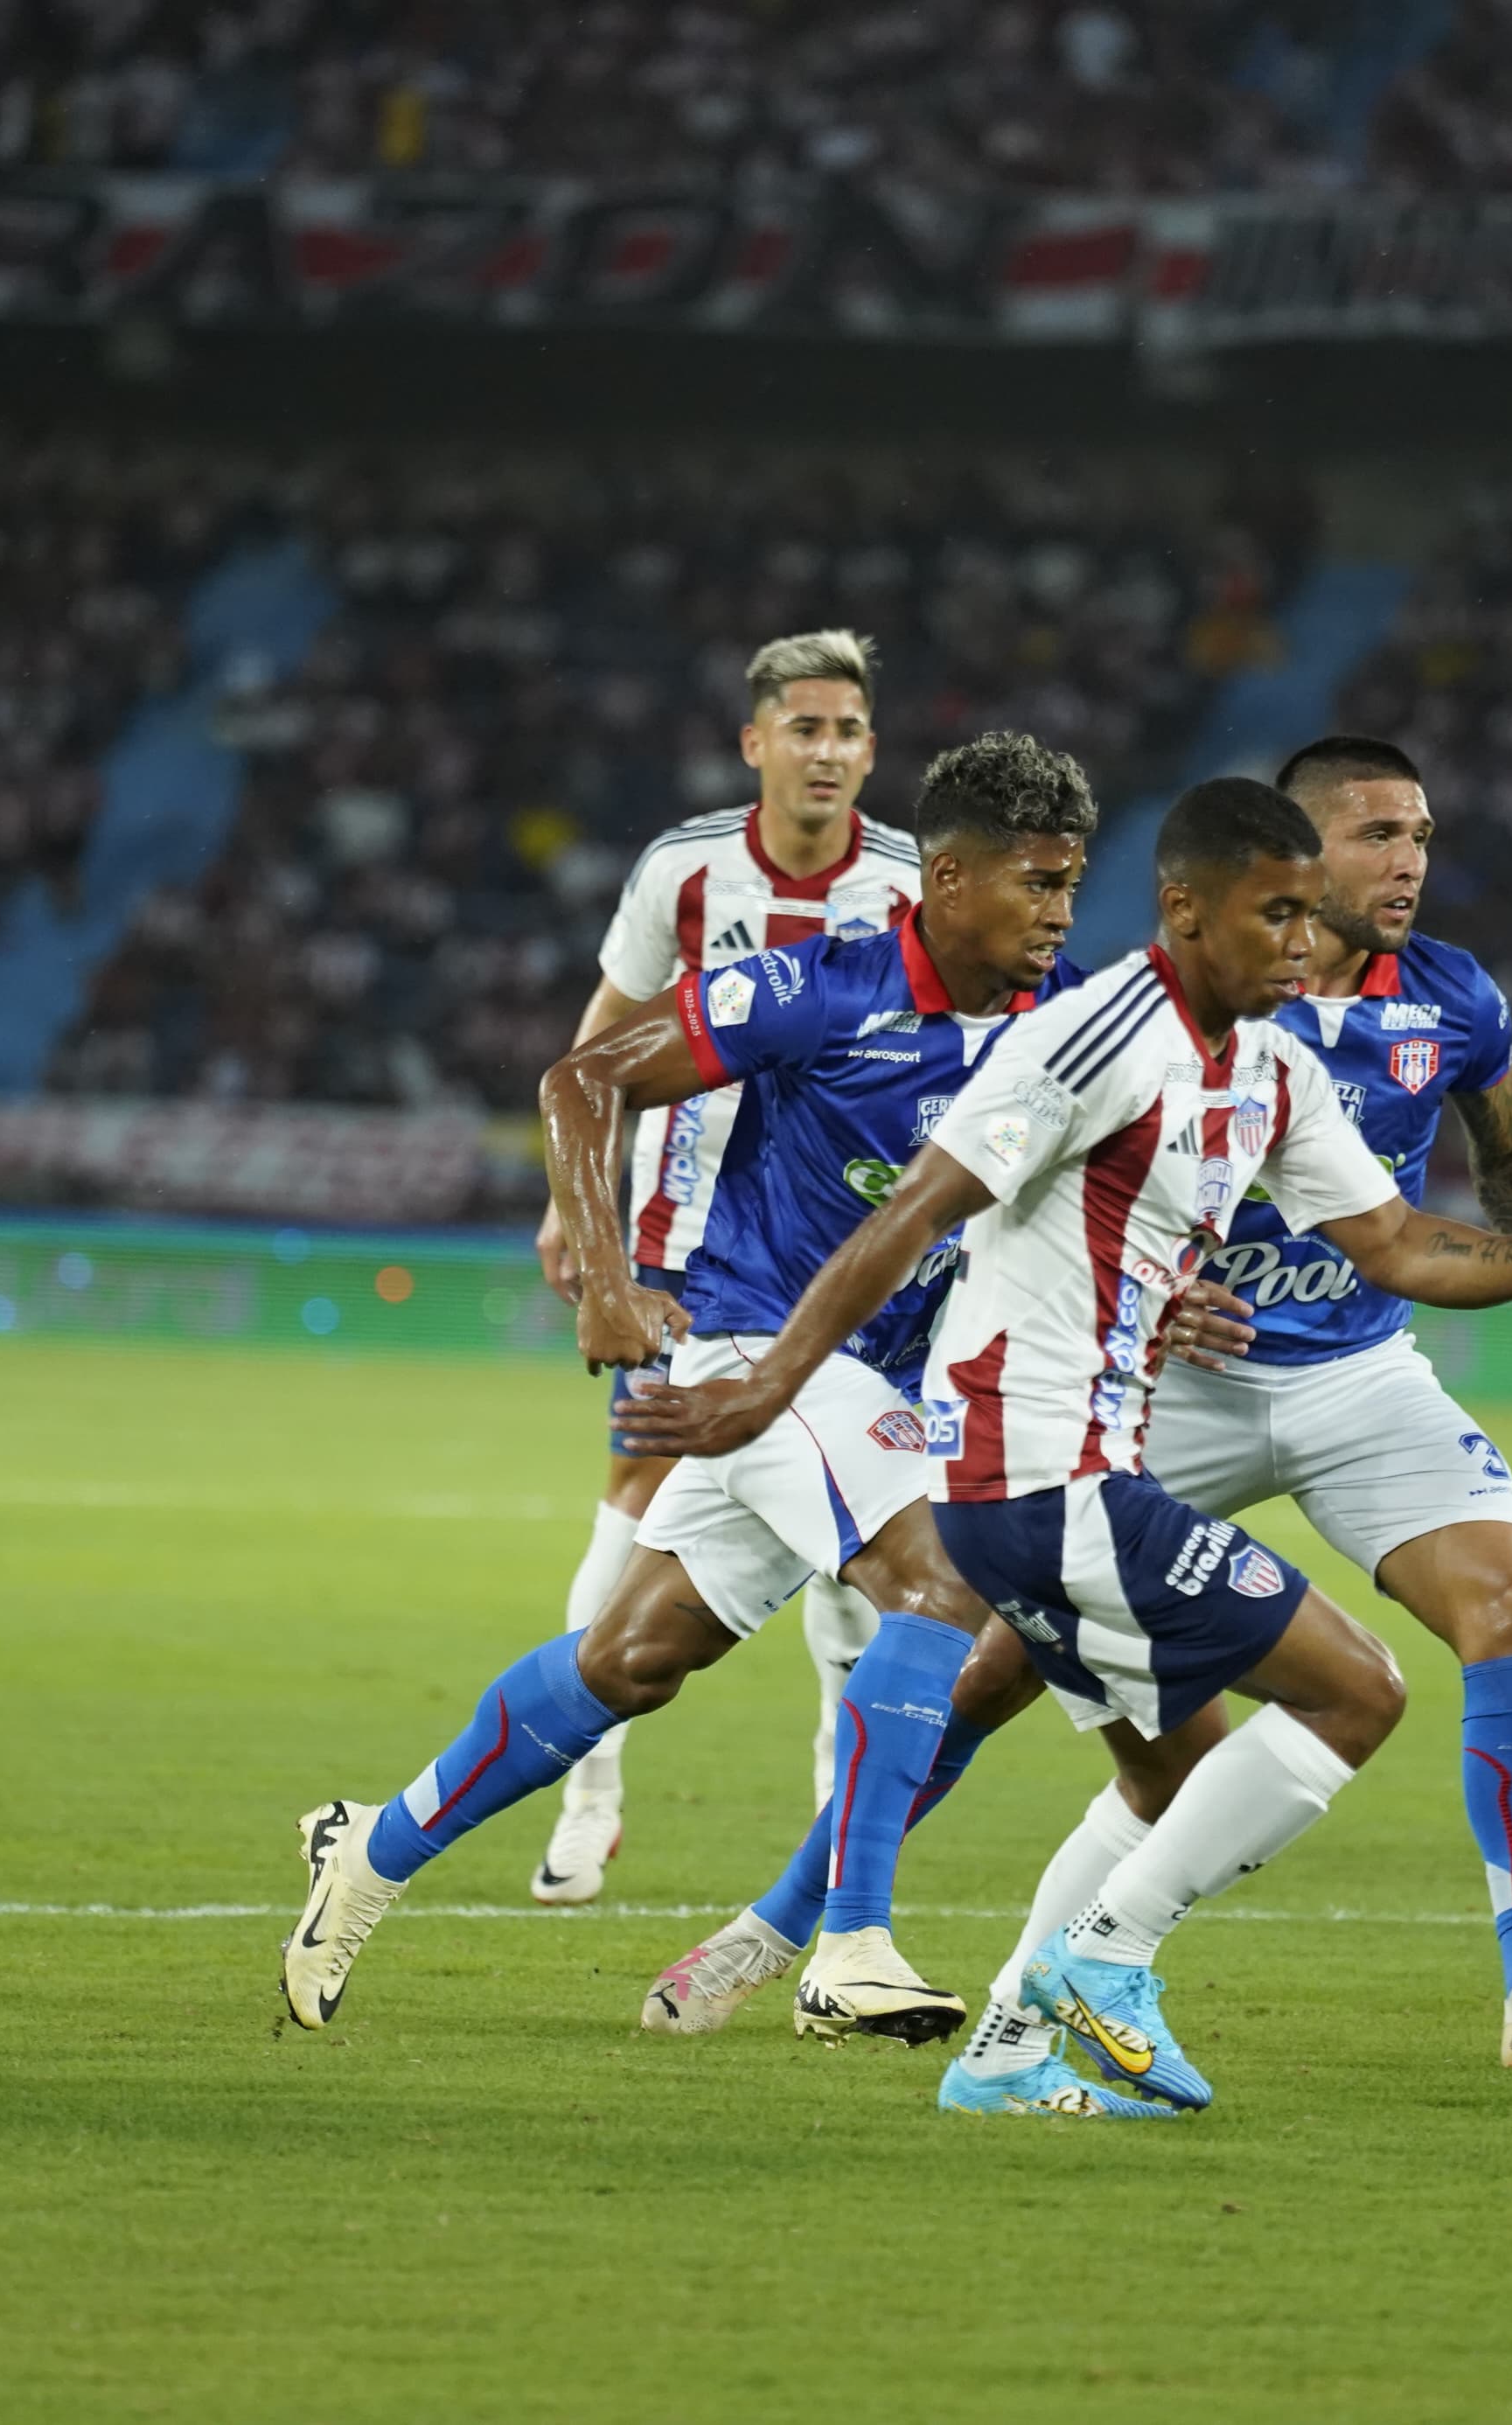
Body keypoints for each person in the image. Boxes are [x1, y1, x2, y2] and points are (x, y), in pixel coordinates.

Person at [617, 778, 1512, 2115]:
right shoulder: (1092, 1038)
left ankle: (998, 2052)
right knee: (1358, 1693)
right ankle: (1103, 1962)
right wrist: (763, 1392)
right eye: (1275, 916)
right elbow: (905, 1218)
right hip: (1046, 1478)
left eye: (1305, 919)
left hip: (1102, 1471)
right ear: (1185, 911)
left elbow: (1393, 1243)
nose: (1299, 945)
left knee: (1172, 1764)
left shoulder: (1274, 1061)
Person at [282, 735, 1118, 2062]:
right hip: (751, 1347)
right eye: (1039, 884)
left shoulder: (1069, 1023)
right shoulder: (818, 989)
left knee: (630, 1661)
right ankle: (846, 1943)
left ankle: (365, 1853)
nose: (1063, 915)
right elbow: (583, 1076)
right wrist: (606, 1281)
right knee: (943, 1582)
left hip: (879, 1380)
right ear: (947, 880)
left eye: (1074, 887)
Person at [519, 630, 923, 1906]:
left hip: (854, 1220)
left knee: (859, 1505)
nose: (828, 751)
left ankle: (833, 1784)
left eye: (849, 730)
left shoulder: (915, 879)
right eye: (804, 727)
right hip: (689, 1216)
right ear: (756, 742)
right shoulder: (684, 869)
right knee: (640, 1472)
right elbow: (605, 1033)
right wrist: (569, 1207)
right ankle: (592, 1791)